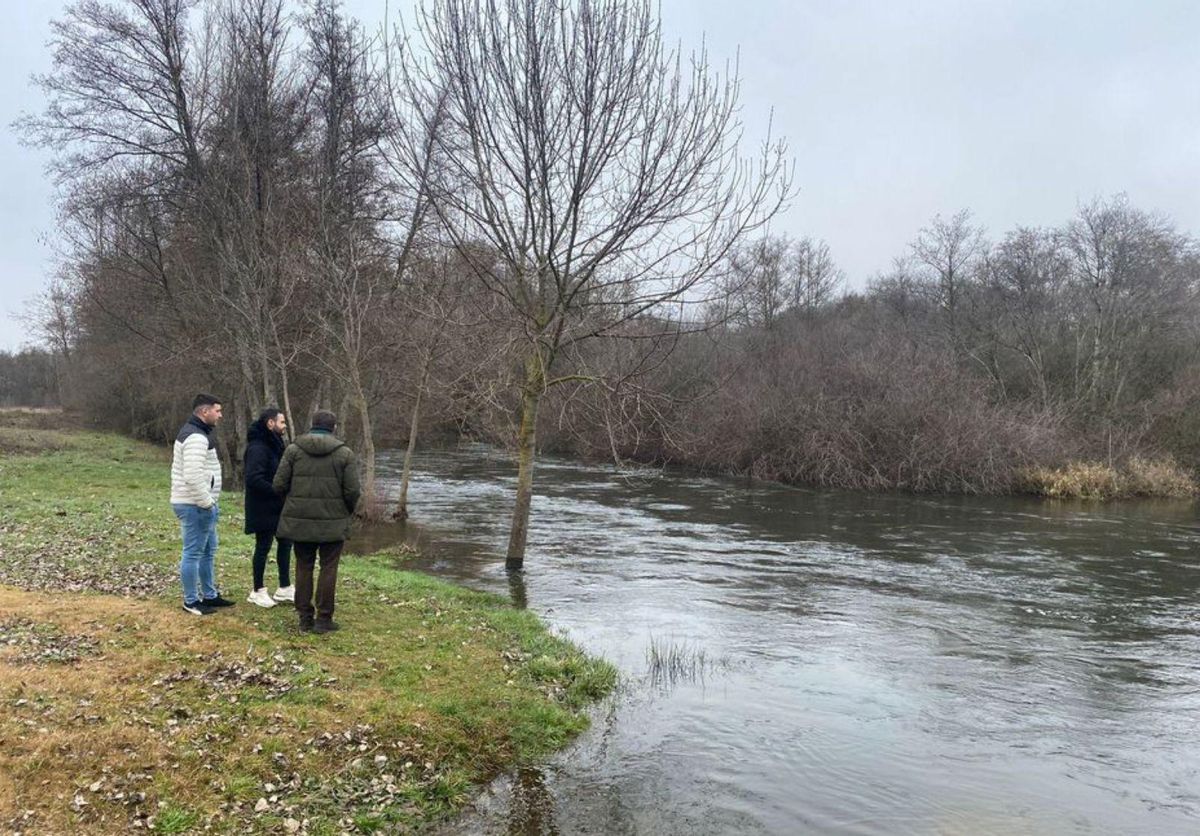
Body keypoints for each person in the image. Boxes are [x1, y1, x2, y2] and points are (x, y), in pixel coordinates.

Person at [273, 410, 361, 634]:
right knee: (328, 567)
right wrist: (345, 511)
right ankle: (324, 619)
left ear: (312, 425)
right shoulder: (345, 454)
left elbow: (279, 484)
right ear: (334, 428)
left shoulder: (293, 450)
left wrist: (293, 505)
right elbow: (352, 491)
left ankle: (304, 618)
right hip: (333, 520)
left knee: (304, 566)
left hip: (300, 521)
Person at [170, 393, 235, 615]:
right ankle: (191, 601)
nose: (220, 415)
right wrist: (207, 503)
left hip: (199, 504)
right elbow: (192, 476)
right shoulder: (196, 437)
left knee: (208, 551)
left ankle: (210, 595)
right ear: (204, 412)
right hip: (194, 505)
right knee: (193, 553)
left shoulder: (198, 433)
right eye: (217, 411)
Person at [244, 407, 294, 608]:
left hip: (279, 506)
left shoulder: (276, 445)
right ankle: (257, 590)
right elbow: (253, 478)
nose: (285, 426)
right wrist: (278, 491)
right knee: (263, 547)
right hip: (262, 506)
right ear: (270, 424)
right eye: (282, 422)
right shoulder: (257, 447)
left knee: (285, 543)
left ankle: (284, 587)